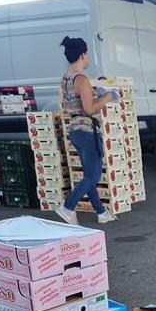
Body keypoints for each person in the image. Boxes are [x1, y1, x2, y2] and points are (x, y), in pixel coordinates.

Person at [56, 36, 116, 225]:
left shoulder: (65, 79)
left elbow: (73, 104)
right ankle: (67, 207)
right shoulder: (81, 79)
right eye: (87, 54)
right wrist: (108, 97)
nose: (88, 58)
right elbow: (90, 109)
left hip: (75, 130)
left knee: (89, 174)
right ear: (82, 55)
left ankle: (101, 212)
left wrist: (95, 95)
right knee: (93, 175)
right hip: (86, 130)